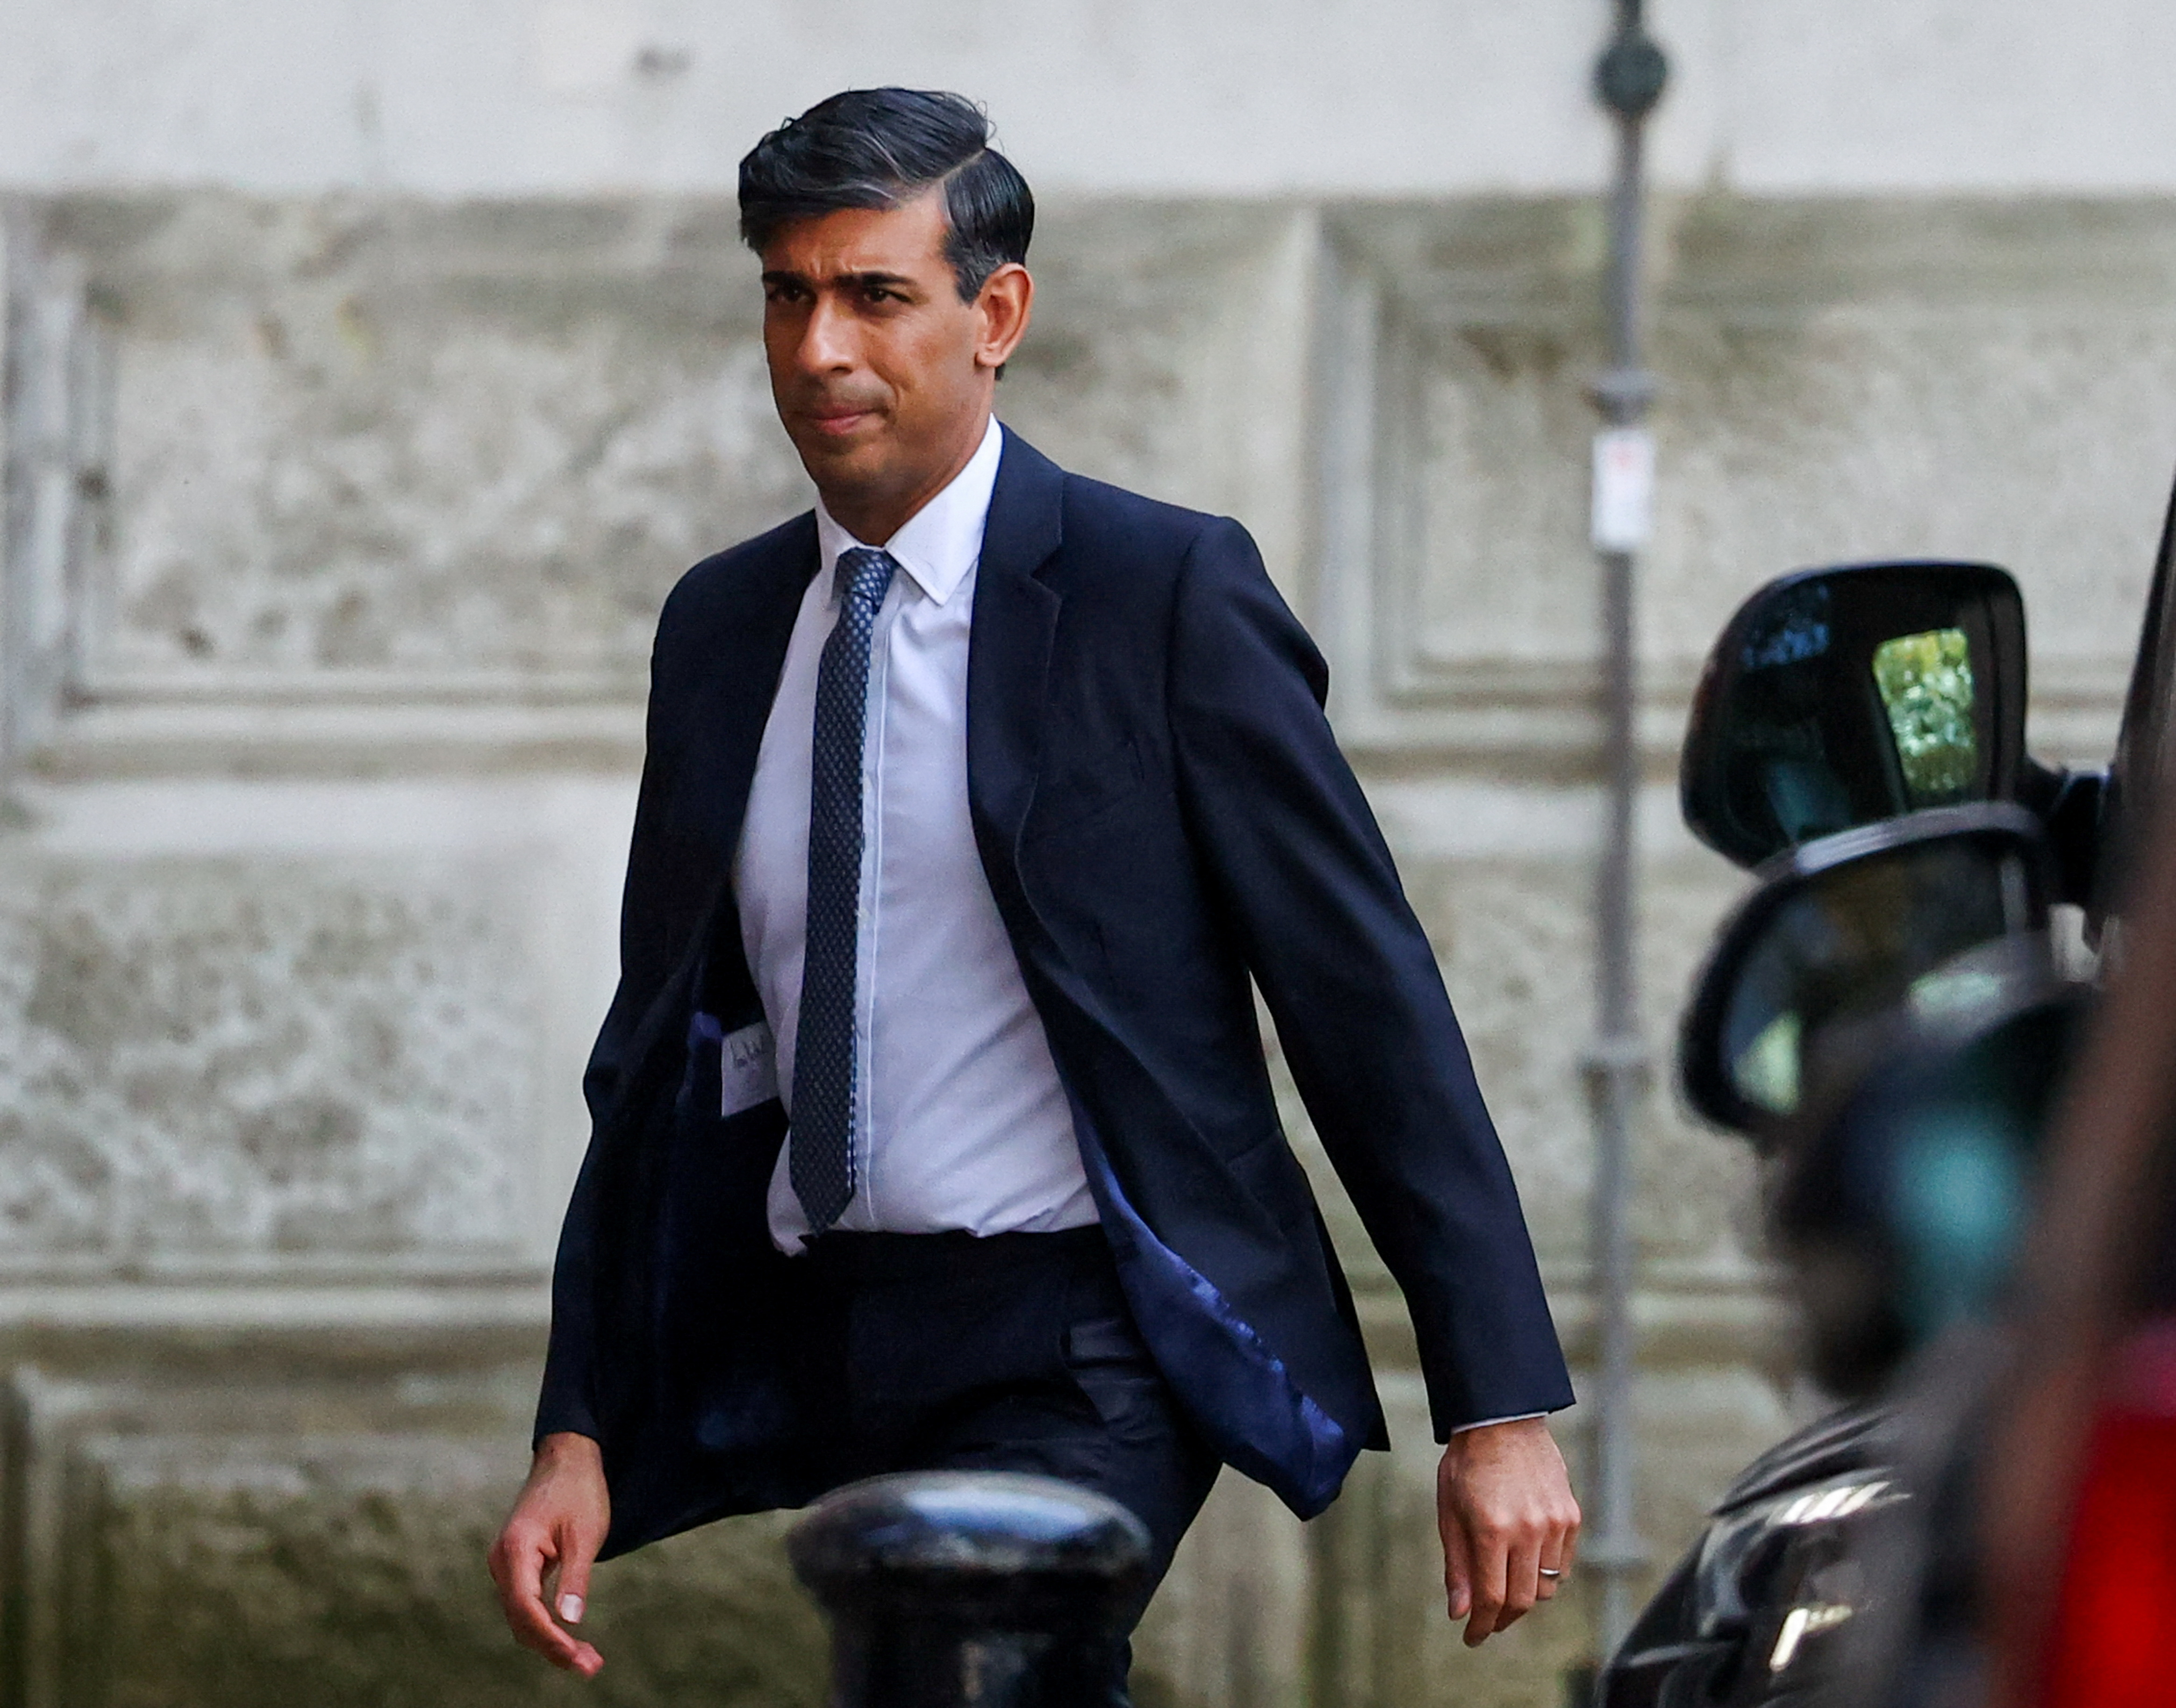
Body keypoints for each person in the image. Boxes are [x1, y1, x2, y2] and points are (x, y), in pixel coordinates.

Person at [487, 87, 1579, 1687]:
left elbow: (1364, 1002)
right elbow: (649, 1057)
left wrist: (1494, 1408)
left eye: (875, 294)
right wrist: (577, 1427)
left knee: (980, 1664)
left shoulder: (1162, 596)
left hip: (1082, 1335)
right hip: (834, 1328)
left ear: (996, 313)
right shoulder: (720, 631)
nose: (818, 350)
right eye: (786, 294)